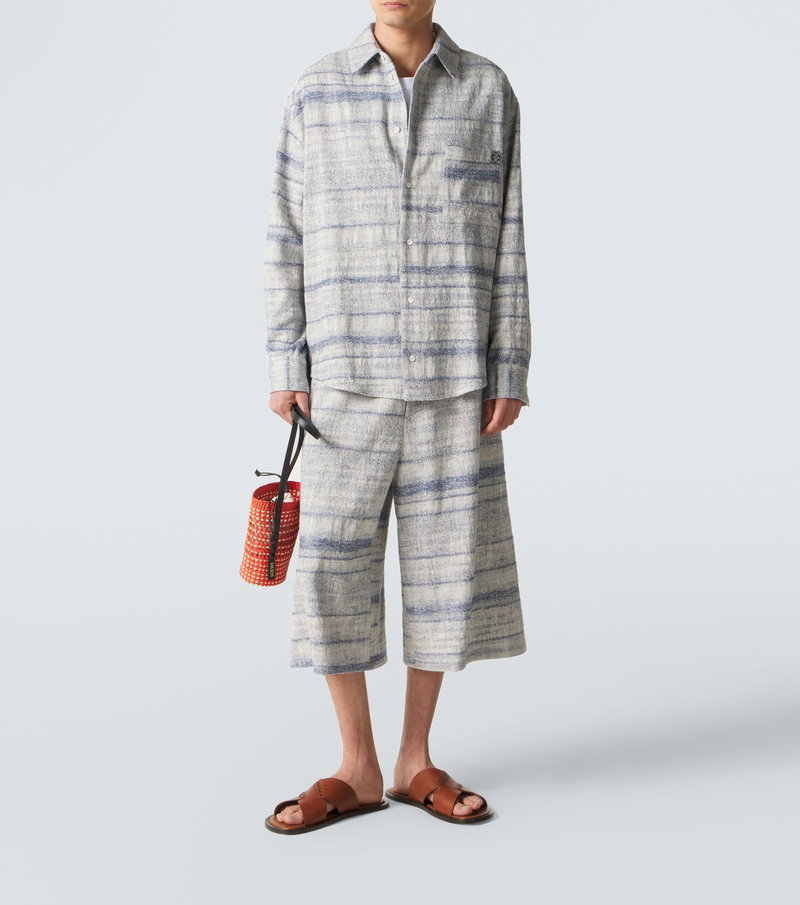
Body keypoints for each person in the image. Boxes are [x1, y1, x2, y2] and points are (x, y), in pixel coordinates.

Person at [263, 0, 531, 833]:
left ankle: (415, 759)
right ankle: (357, 765)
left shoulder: (488, 90)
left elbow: (510, 235)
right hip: (343, 377)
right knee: (329, 569)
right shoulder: (316, 91)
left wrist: (509, 363)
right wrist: (284, 359)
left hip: (457, 374)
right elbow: (285, 232)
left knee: (447, 572)